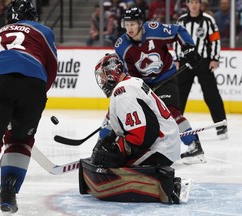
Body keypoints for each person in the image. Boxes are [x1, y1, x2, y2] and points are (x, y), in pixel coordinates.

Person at [0, 0, 58, 215]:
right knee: (20, 141)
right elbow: (51, 67)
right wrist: (36, 97)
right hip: (33, 84)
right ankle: (8, 193)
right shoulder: (43, 31)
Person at [79, 53, 184, 204]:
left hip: (159, 147)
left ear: (110, 74)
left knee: (111, 167)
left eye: (102, 76)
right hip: (165, 141)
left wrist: (119, 150)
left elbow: (142, 135)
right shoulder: (130, 83)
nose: (101, 80)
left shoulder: (123, 92)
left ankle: (164, 184)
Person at [114, 7, 205, 164]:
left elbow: (178, 31)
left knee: (171, 112)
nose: (129, 28)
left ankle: (194, 145)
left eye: (133, 24)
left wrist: (188, 47)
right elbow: (128, 72)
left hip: (166, 78)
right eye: (127, 24)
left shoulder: (154, 30)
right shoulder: (122, 46)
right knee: (142, 117)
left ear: (140, 23)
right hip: (143, 85)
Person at [173, 0, 228, 140]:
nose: (194, 5)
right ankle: (174, 126)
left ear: (200, 4)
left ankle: (221, 125)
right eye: (191, 2)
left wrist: (214, 58)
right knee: (179, 94)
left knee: (211, 94)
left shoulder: (208, 20)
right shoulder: (181, 21)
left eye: (196, 2)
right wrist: (178, 59)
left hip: (203, 62)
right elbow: (177, 40)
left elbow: (215, 39)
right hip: (186, 62)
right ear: (187, 4)